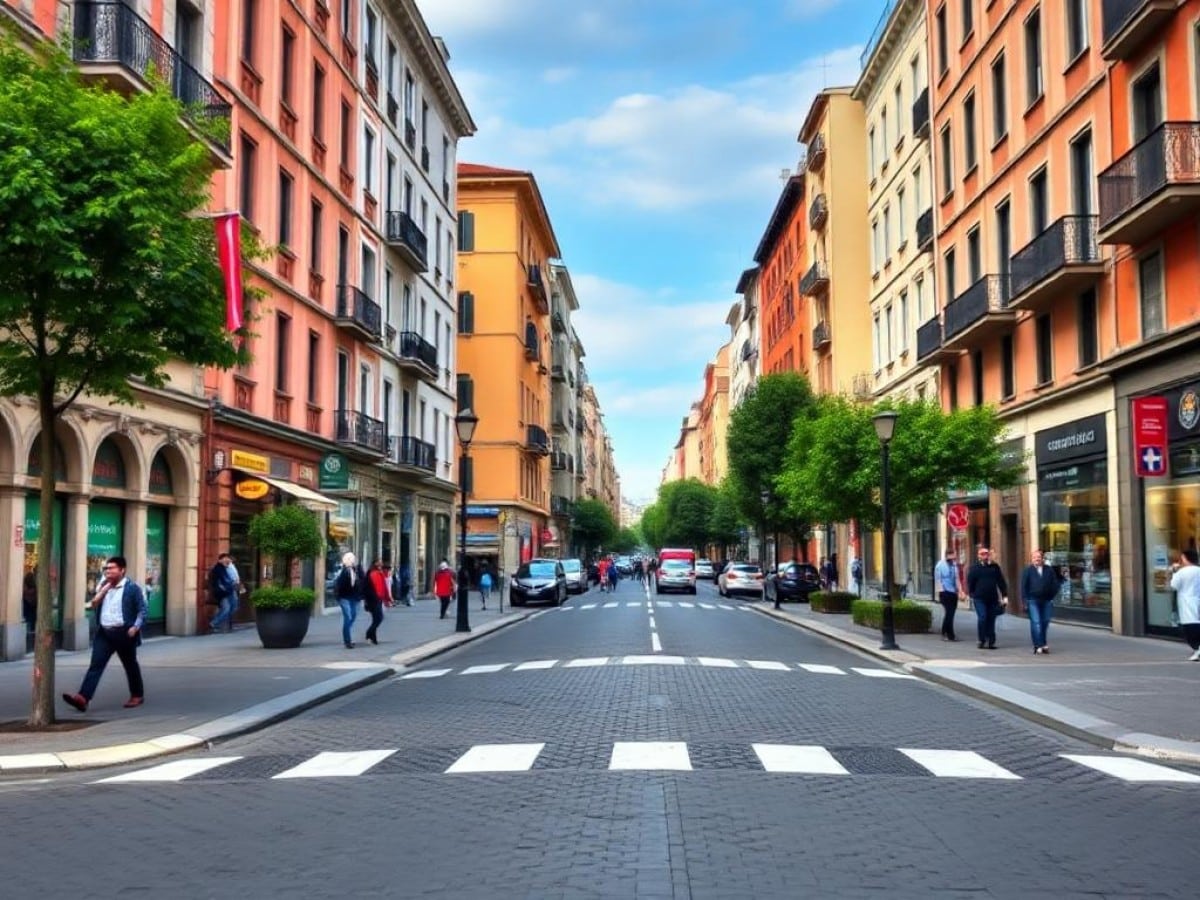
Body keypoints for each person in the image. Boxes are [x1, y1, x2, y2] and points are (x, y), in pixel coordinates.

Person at [62, 555, 147, 712]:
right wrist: (105, 588)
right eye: (106, 568)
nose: (107, 571)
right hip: (105, 633)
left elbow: (142, 610)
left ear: (122, 570)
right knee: (96, 665)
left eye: (111, 568)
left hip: (124, 633)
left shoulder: (132, 588)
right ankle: (83, 698)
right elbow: (93, 604)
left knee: (130, 665)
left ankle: (137, 695)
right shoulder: (103, 585)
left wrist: (135, 627)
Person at [1020, 548, 1062, 654]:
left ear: (1042, 558)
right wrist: (1024, 601)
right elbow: (1023, 587)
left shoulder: (1049, 570)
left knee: (1045, 622)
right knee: (1036, 622)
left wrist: (1052, 595)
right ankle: (1038, 645)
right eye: (1034, 557)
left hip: (1047, 600)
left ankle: (1043, 642)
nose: (1037, 559)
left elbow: (1055, 584)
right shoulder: (1028, 571)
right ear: (1031, 559)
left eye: (1038, 557)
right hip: (1032, 600)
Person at [966, 546, 1008, 650]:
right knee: (983, 617)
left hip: (992, 598)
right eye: (982, 554)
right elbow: (970, 582)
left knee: (991, 619)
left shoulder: (994, 567)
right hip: (979, 598)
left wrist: (1005, 596)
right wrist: (971, 594)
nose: (985, 556)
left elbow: (1001, 582)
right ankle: (981, 639)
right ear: (978, 556)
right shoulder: (974, 568)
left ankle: (991, 642)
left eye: (986, 553)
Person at [1170, 548, 1200, 661]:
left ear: (1185, 558)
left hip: (1186, 602)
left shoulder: (1182, 572)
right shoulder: (1198, 570)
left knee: (1190, 628)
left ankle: (1197, 649)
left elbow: (1173, 585)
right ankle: (1197, 651)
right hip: (1197, 599)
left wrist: (1174, 571)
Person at [333, 551, 364, 648]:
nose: (354, 560)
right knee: (348, 618)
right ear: (348, 561)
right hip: (345, 598)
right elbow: (340, 585)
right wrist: (338, 596)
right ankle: (347, 641)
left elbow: (362, 580)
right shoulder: (344, 571)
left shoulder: (356, 570)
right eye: (353, 559)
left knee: (353, 616)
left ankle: (348, 635)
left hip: (354, 597)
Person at [934, 548, 961, 641]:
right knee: (949, 613)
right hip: (945, 592)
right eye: (954, 555)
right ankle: (948, 633)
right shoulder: (940, 565)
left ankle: (948, 633)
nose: (955, 557)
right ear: (948, 555)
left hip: (953, 592)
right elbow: (938, 579)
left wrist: (960, 590)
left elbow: (957, 579)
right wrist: (941, 592)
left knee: (951, 614)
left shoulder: (954, 565)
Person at [207, 552, 238, 634]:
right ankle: (214, 623)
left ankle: (222, 624)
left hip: (229, 590)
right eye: (225, 560)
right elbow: (221, 582)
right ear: (220, 560)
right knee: (226, 609)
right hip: (224, 593)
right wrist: (229, 585)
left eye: (228, 560)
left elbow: (231, 578)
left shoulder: (225, 567)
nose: (228, 562)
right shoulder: (218, 569)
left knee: (233, 607)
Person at [364, 558, 389, 645]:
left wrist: (387, 598)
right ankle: (369, 633)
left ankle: (373, 638)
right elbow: (375, 587)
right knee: (379, 618)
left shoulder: (378, 573)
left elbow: (383, 586)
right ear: (375, 563)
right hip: (374, 599)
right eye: (379, 562)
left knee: (376, 619)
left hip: (377, 599)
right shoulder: (373, 573)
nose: (381, 564)